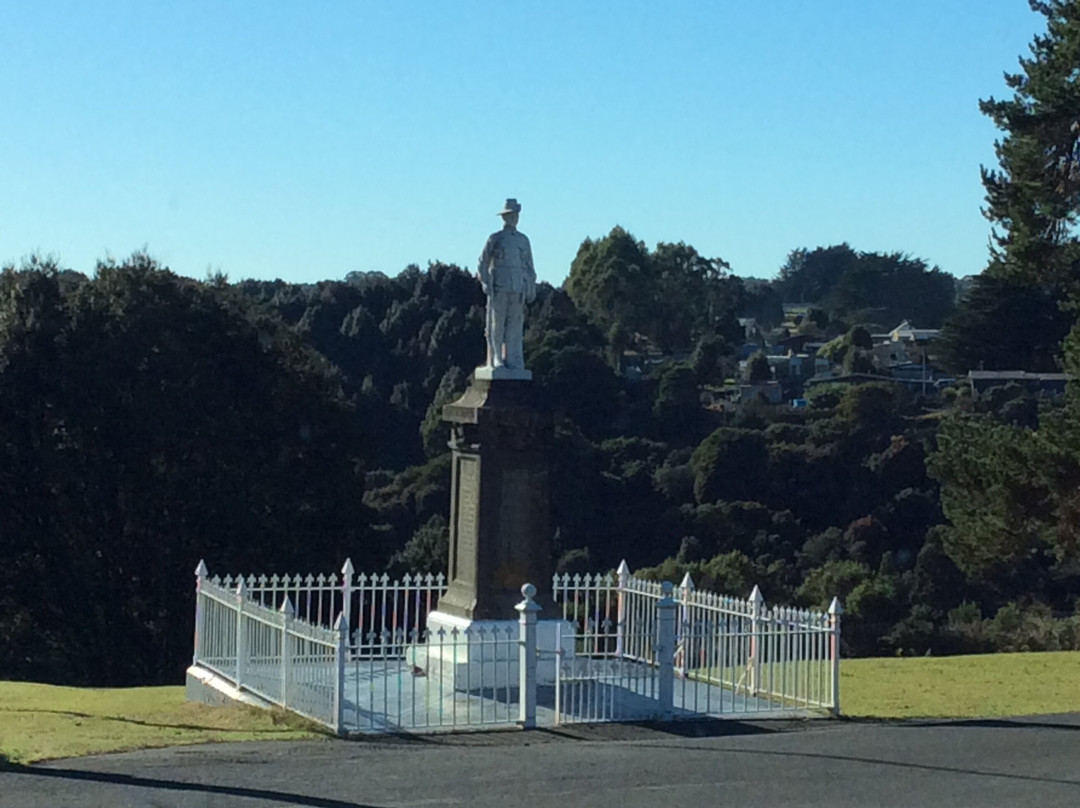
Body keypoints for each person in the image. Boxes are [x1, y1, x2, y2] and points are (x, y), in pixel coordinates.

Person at [477, 198, 536, 370]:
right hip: (499, 287)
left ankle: (513, 358)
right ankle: (497, 358)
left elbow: (529, 267)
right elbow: (483, 262)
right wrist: (485, 282)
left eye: (516, 215)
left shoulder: (523, 240)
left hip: (517, 287)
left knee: (515, 325)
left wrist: (530, 286)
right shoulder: (495, 238)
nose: (514, 218)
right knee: (497, 324)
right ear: (504, 217)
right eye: (510, 215)